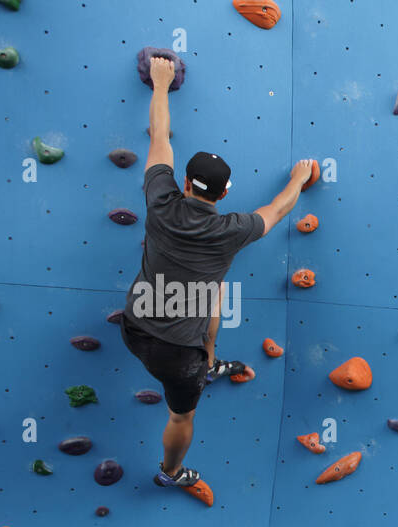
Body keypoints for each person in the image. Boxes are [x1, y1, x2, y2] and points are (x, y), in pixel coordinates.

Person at [121, 55, 314, 492]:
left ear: (185, 183)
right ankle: (170, 472)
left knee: (214, 291)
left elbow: (159, 140)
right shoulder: (233, 230)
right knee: (180, 414)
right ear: (225, 193)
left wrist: (160, 84)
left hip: (134, 329)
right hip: (177, 356)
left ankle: (208, 361)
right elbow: (277, 208)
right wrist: (299, 180)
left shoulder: (160, 200)